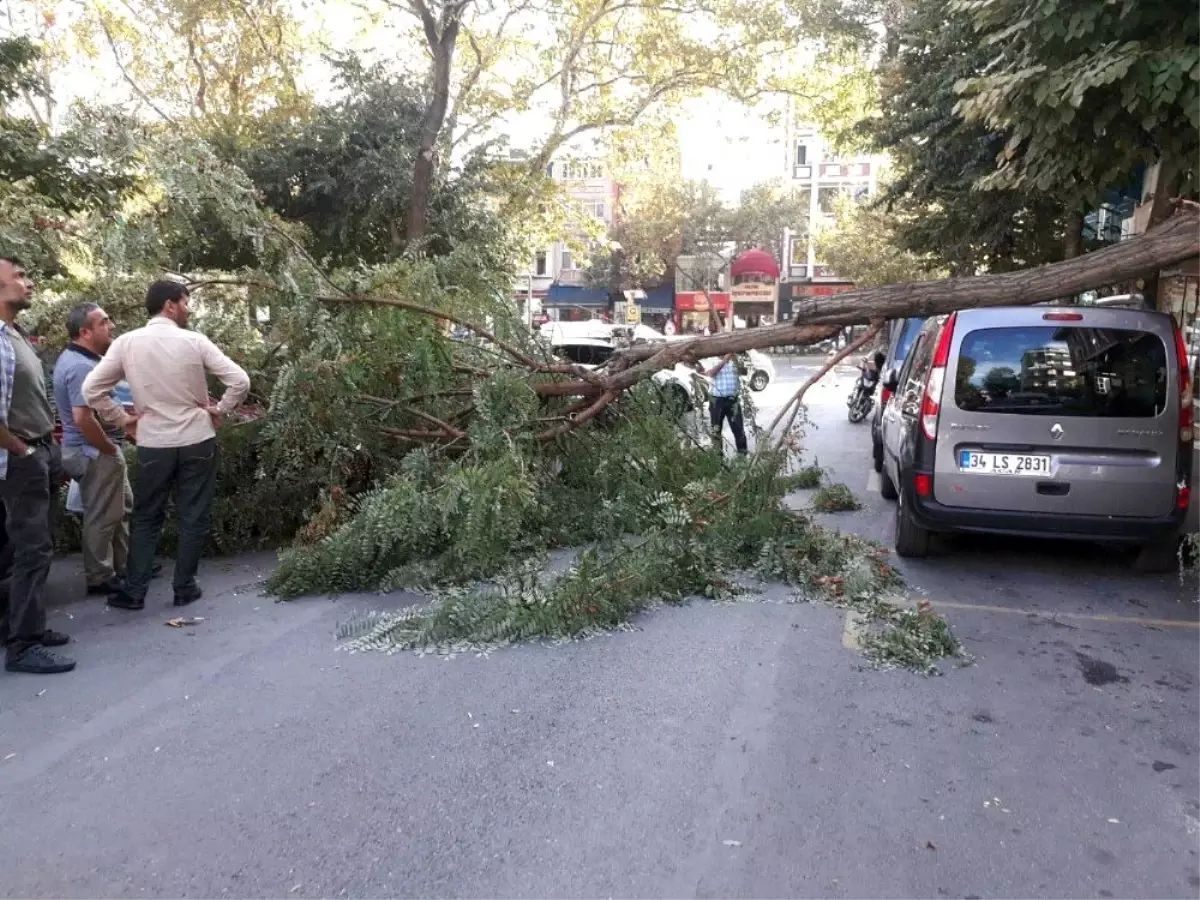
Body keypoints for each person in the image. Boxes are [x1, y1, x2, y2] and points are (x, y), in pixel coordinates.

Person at [83, 280, 250, 611]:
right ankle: (184, 587)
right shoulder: (194, 341)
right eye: (186, 302)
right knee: (193, 514)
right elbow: (240, 381)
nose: (189, 309)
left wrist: (121, 419)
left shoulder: (127, 343)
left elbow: (92, 390)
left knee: (146, 515)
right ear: (170, 305)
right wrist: (220, 410)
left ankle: (134, 591)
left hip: (154, 441)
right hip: (197, 439)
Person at [0, 256, 73, 674]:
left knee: (38, 544)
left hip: (39, 450)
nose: (28, 283)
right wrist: (22, 451)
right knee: (32, 548)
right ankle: (23, 646)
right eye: (19, 277)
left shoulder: (16, 335)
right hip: (22, 456)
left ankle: (29, 626)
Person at [53, 303, 133, 596]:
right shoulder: (79, 367)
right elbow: (82, 417)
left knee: (120, 508)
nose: (111, 326)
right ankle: (100, 576)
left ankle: (123, 565)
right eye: (103, 322)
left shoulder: (85, 360)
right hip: (92, 451)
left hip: (97, 450)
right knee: (102, 514)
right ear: (84, 332)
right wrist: (108, 448)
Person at [704, 352, 748, 456]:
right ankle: (718, 460)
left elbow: (744, 372)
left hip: (733, 400)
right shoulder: (712, 358)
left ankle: (742, 458)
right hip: (716, 400)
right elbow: (710, 373)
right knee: (716, 430)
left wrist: (736, 362)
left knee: (739, 430)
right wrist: (724, 361)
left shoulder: (735, 359)